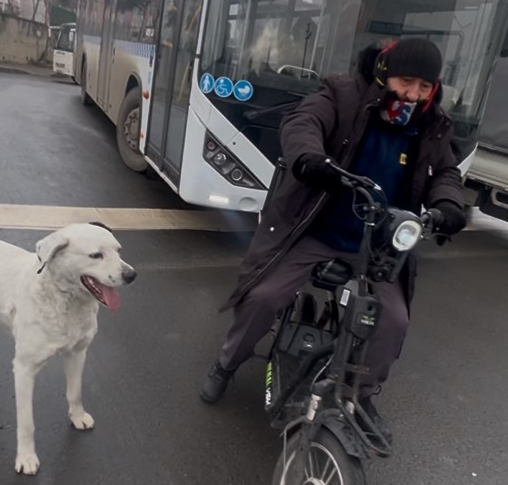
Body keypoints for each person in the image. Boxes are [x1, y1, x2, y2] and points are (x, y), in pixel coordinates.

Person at [198, 37, 469, 439]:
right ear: (383, 72)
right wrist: (311, 159)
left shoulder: (432, 124)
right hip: (315, 228)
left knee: (393, 320)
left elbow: (446, 172)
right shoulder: (342, 93)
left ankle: (359, 395)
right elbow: (302, 123)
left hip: (380, 243)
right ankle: (227, 363)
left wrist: (449, 205)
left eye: (424, 87)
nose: (413, 94)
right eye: (406, 81)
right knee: (264, 297)